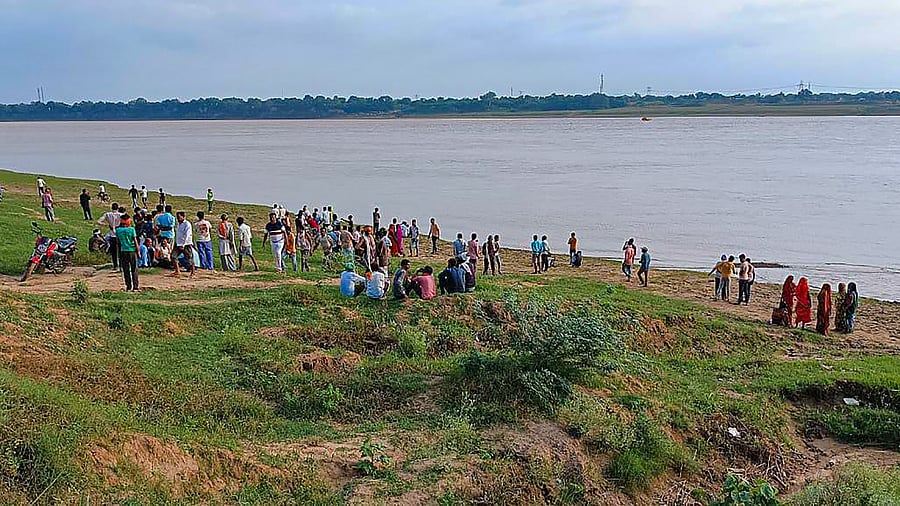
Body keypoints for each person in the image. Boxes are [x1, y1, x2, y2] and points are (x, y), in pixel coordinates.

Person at [115, 213, 140, 291]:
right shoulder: (132, 229)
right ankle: (135, 286)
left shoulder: (118, 230)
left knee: (126, 270)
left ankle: (128, 286)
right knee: (134, 269)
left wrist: (118, 253)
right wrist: (138, 251)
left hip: (123, 251)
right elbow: (135, 241)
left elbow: (118, 243)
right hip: (132, 251)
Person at [98, 203, 122, 271]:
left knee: (114, 251)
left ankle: (115, 265)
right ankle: (121, 265)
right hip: (119, 233)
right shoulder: (121, 215)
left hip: (112, 234)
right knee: (120, 251)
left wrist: (106, 225)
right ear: (118, 208)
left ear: (111, 208)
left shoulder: (107, 214)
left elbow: (99, 221)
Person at [173, 211, 195, 277]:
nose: (178, 219)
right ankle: (177, 271)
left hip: (186, 244)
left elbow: (187, 235)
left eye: (179, 217)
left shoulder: (187, 224)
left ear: (183, 217)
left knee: (189, 258)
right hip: (178, 243)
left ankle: (193, 272)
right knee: (173, 256)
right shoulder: (178, 224)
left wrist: (184, 244)